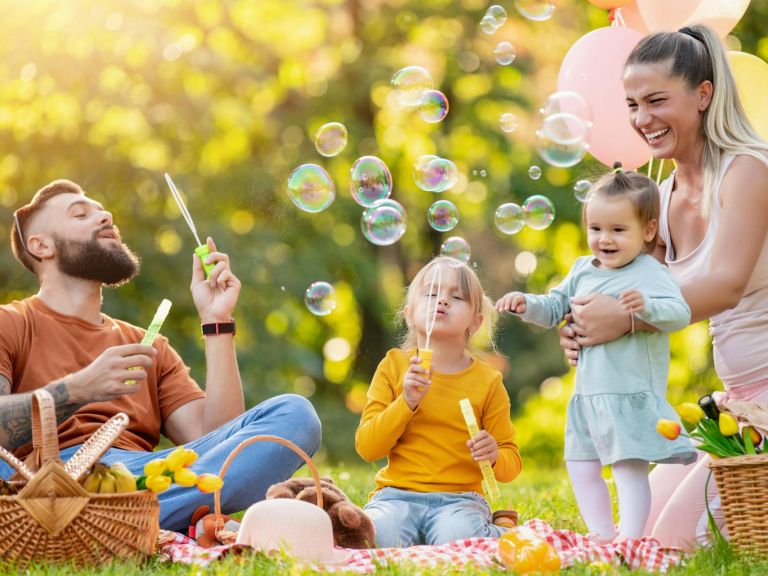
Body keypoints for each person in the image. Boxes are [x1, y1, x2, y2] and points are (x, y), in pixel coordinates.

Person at [0, 179, 322, 532]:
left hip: (140, 480)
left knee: (295, 415)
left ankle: (110, 518)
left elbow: (223, 441)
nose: (105, 216)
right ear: (40, 245)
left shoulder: (147, 346)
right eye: (80, 213)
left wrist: (217, 321)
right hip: (45, 476)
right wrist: (78, 389)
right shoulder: (10, 323)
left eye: (102, 210)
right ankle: (139, 518)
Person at [559, 24, 768, 548]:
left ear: (703, 95)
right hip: (739, 406)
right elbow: (625, 285)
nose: (641, 119)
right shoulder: (662, 197)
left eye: (656, 100)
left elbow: (725, 284)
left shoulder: (748, 171)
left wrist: (623, 318)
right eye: (632, 104)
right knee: (643, 531)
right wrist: (583, 324)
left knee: (675, 542)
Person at [496, 168, 696, 543]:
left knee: (627, 469)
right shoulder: (582, 270)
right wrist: (527, 304)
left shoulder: (648, 273)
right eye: (596, 229)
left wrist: (646, 308)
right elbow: (555, 306)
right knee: (581, 465)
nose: (605, 239)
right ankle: (602, 534)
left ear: (648, 231)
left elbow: (680, 313)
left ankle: (631, 538)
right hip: (587, 398)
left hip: (629, 396)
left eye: (619, 230)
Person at [355, 256, 522, 547]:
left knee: (456, 539)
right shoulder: (393, 367)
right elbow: (368, 448)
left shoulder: (487, 381)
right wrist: (405, 402)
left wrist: (495, 454)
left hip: (460, 501)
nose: (442, 301)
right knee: (378, 535)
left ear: (476, 321)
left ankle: (501, 528)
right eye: (431, 294)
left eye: (456, 297)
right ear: (409, 313)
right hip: (396, 494)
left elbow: (511, 465)